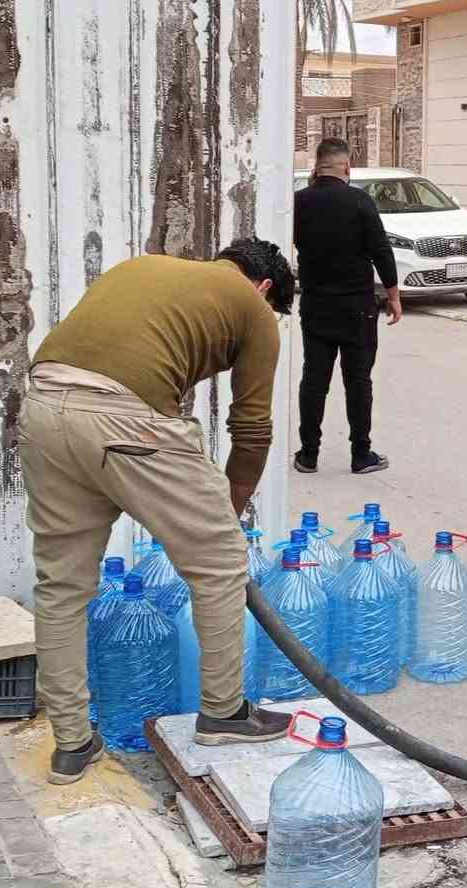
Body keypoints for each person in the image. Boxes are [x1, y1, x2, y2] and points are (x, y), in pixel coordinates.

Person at [19, 238, 296, 784]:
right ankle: (224, 712)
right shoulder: (253, 307)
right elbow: (252, 428)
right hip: (125, 420)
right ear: (265, 287)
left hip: (42, 407)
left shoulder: (145, 267)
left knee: (62, 585)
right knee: (220, 564)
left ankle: (72, 744)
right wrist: (229, 511)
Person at [293, 137, 402, 476]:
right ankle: (361, 455)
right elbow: (381, 250)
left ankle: (308, 454)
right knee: (358, 381)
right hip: (358, 307)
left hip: (316, 305)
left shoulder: (299, 202)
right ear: (346, 167)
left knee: (314, 380)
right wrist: (394, 296)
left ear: (316, 166)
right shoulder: (359, 201)